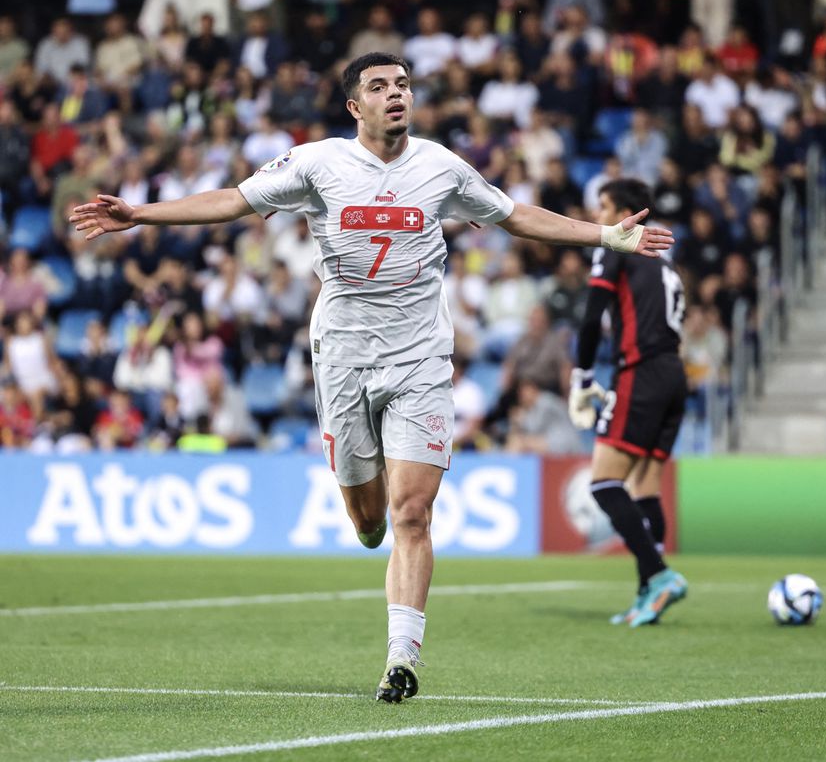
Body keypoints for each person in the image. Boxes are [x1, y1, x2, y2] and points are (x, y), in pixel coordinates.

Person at [68, 52, 672, 703]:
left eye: (404, 85)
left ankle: (401, 657)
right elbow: (234, 201)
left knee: (413, 510)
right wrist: (142, 214)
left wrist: (604, 237)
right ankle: (362, 493)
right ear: (355, 106)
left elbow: (515, 214)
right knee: (370, 522)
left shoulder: (442, 168)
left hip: (420, 357)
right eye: (379, 87)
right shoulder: (316, 164)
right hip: (343, 356)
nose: (396, 94)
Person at [568, 178, 689, 628]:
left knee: (603, 484)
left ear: (623, 211)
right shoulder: (666, 263)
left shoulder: (617, 245)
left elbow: (591, 315)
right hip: (674, 376)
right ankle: (648, 595)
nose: (598, 216)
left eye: (603, 206)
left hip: (641, 374)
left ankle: (658, 576)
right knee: (645, 488)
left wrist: (582, 376)